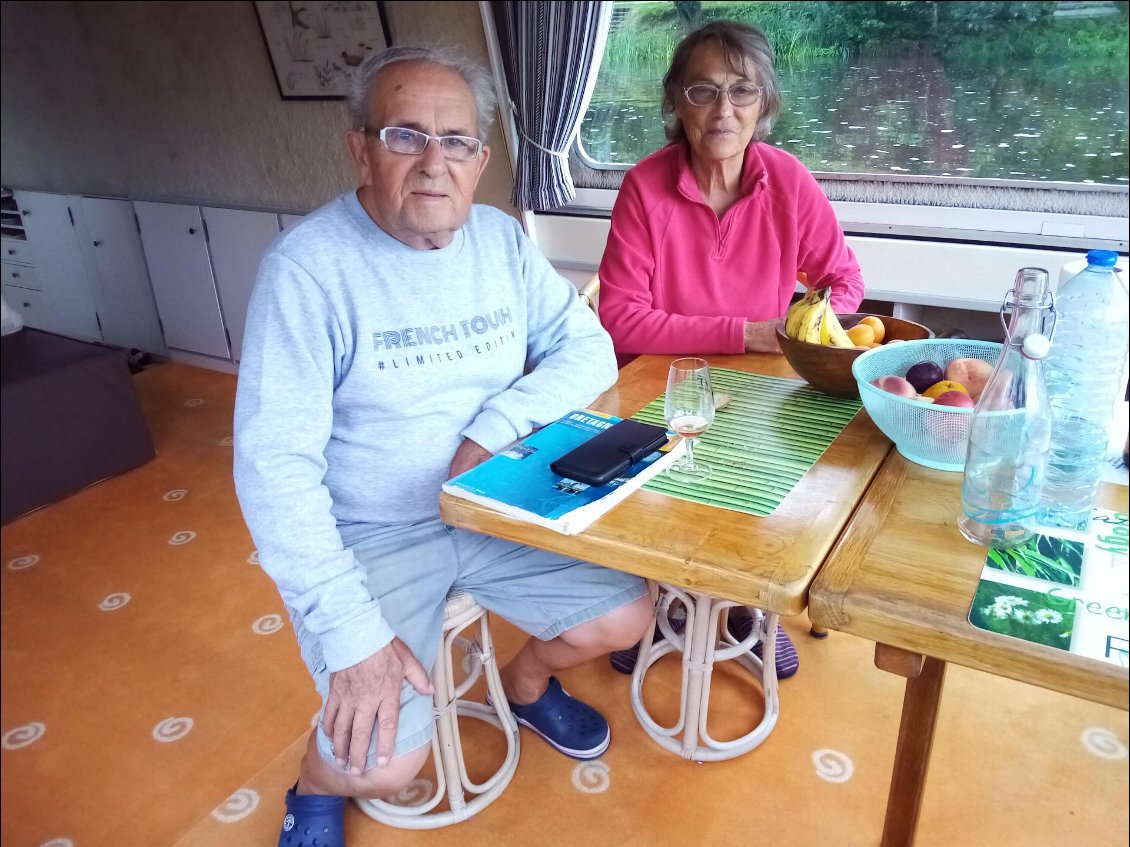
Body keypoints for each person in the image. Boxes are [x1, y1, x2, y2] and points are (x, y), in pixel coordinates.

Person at [233, 44, 653, 847]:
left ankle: (527, 686)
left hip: (492, 504)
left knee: (628, 615)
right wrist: (354, 637)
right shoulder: (308, 271)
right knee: (385, 763)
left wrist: (490, 430)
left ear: (481, 159)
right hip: (372, 532)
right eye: (405, 136)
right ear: (359, 147)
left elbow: (587, 347)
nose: (434, 162)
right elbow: (272, 469)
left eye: (456, 141)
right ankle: (313, 784)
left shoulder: (497, 240)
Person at [599, 20, 866, 679]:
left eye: (742, 91)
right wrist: (742, 331)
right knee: (660, 497)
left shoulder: (789, 181)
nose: (724, 110)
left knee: (769, 493)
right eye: (704, 90)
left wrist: (807, 323)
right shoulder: (645, 186)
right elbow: (620, 316)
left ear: (764, 103)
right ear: (676, 102)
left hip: (770, 385)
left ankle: (752, 608)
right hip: (666, 381)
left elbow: (845, 283)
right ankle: (658, 603)